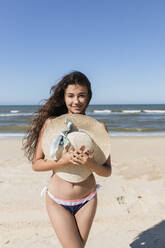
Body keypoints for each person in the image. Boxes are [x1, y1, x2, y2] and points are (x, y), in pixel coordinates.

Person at [23, 71, 112, 248]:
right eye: (70, 95)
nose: (76, 101)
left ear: (88, 97)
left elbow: (107, 171)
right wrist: (63, 161)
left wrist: (90, 164)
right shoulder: (51, 124)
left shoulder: (99, 128)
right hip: (58, 201)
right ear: (64, 97)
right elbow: (36, 164)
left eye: (81, 95)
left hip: (88, 199)